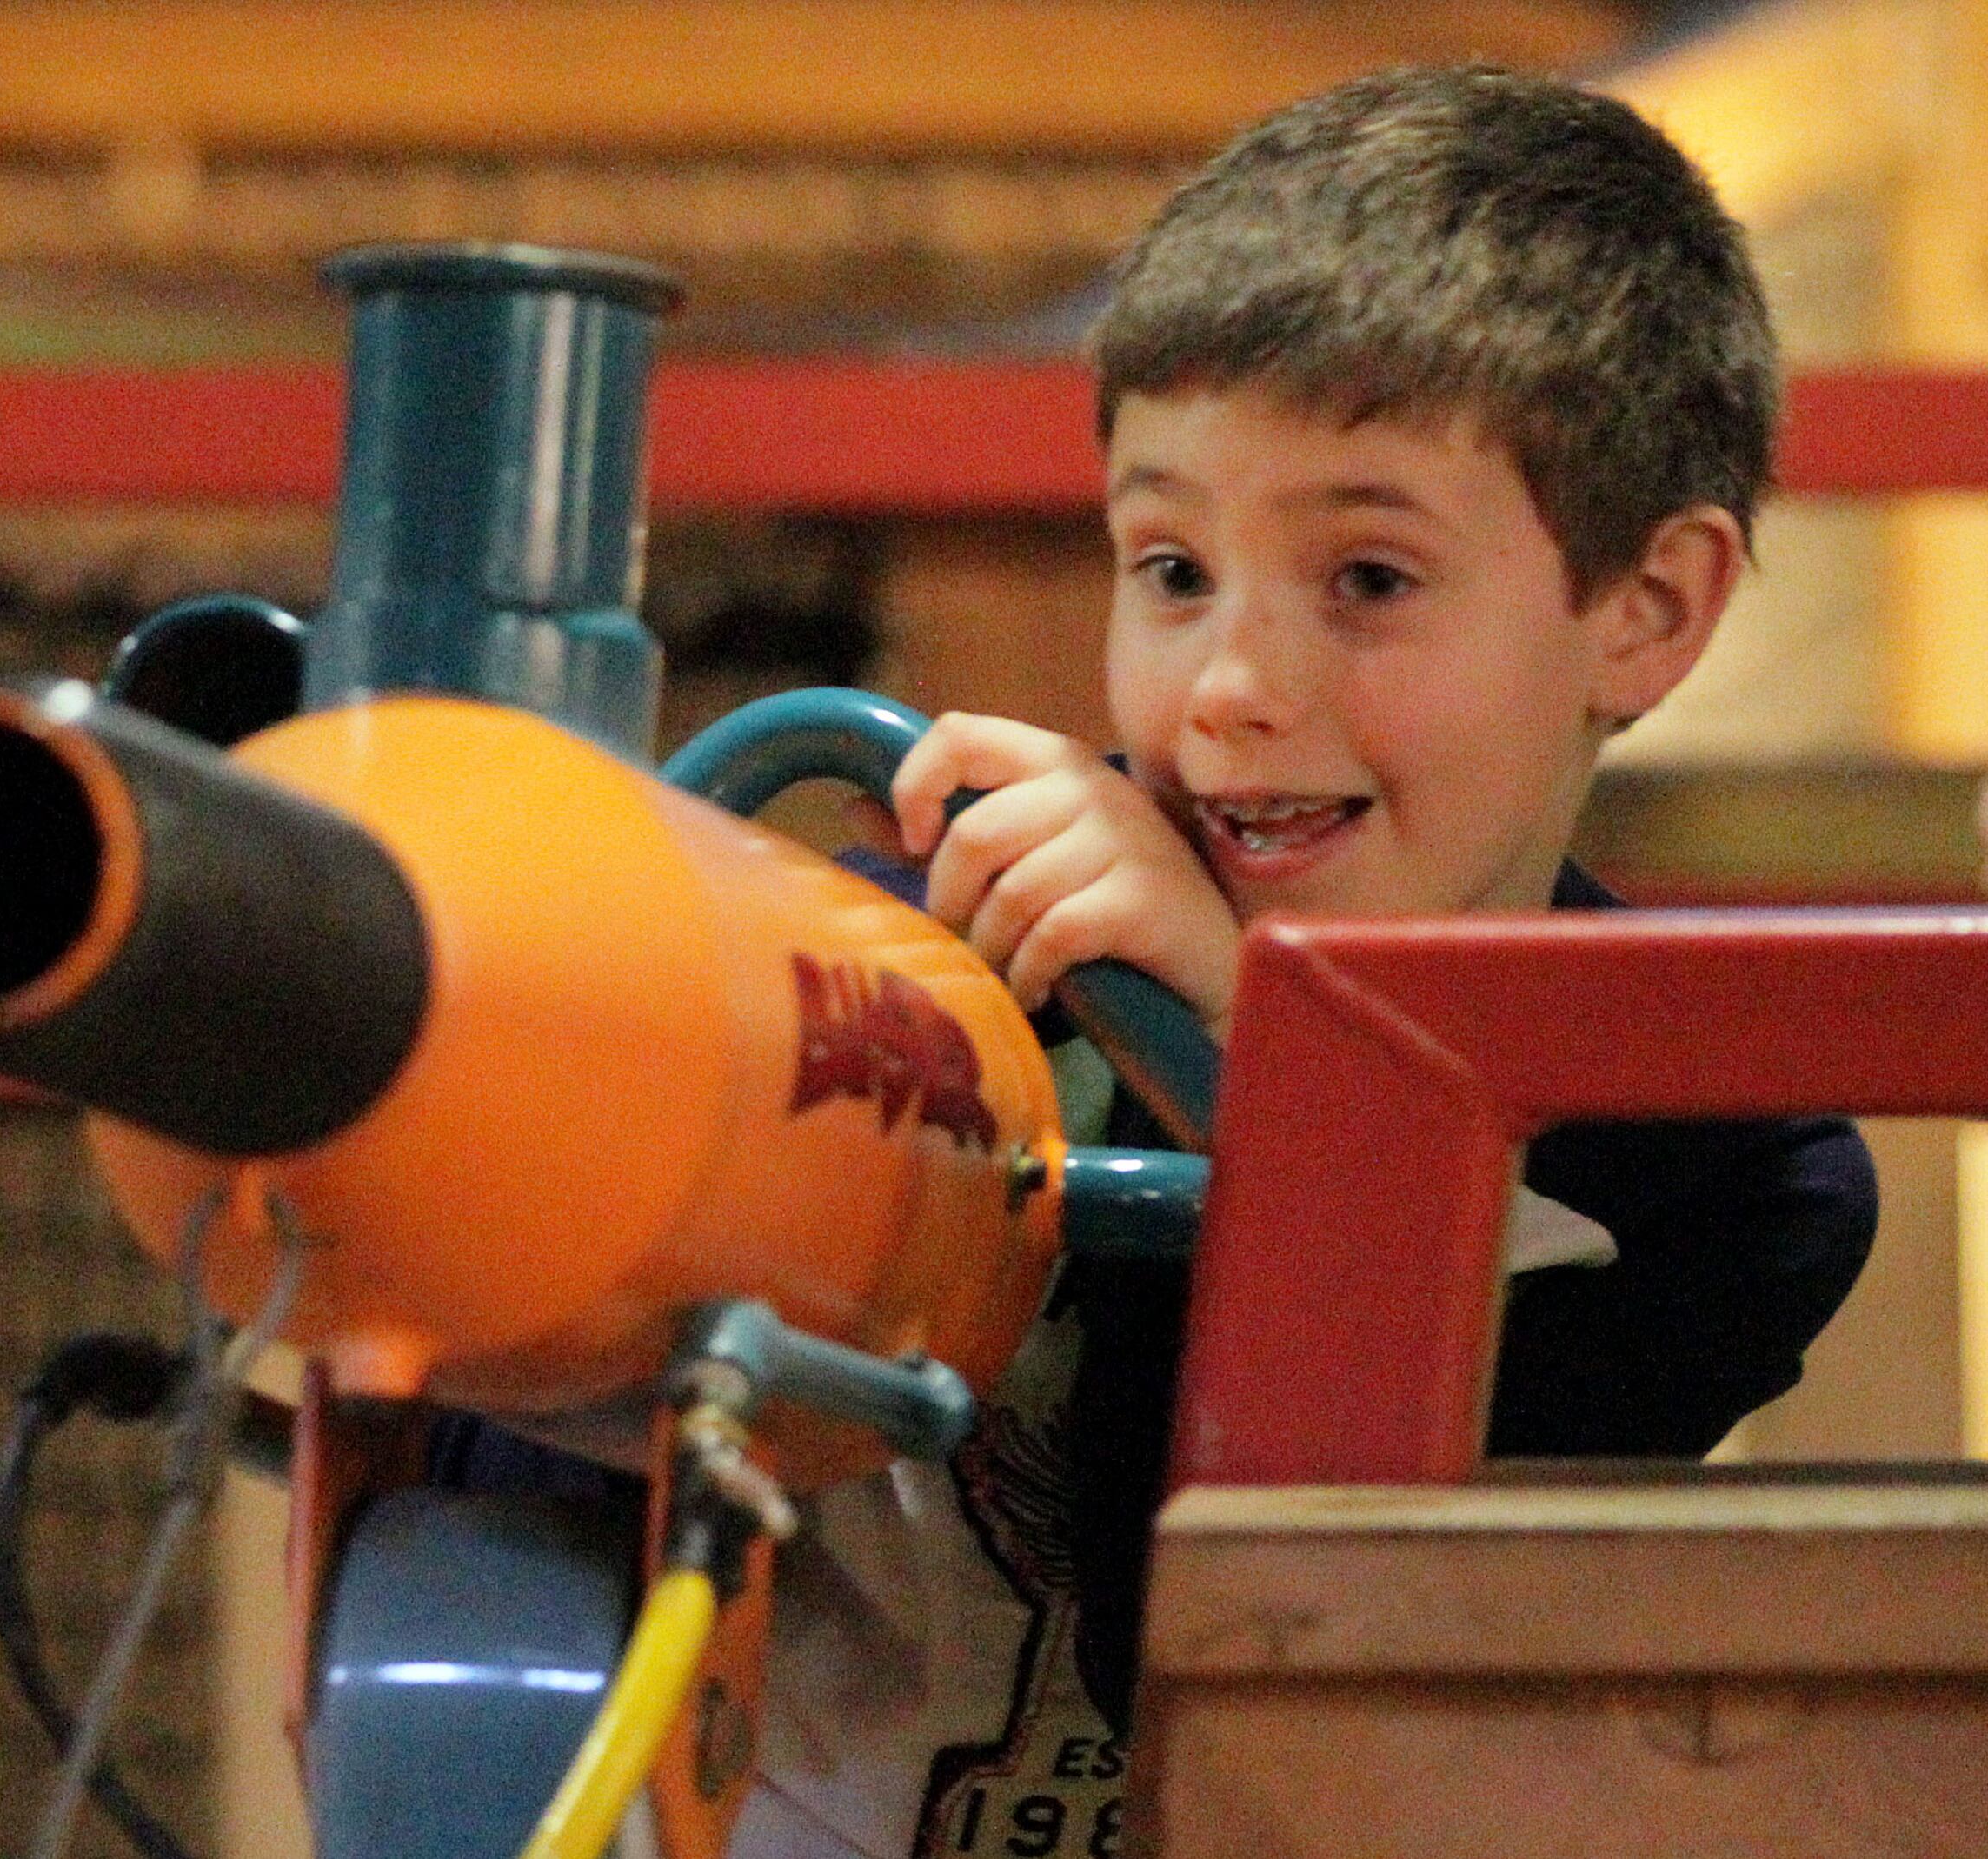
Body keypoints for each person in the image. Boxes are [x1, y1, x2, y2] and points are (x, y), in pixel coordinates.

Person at [735, 64, 1880, 1859]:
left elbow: (1229, 1663)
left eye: (1366, 576)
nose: (1227, 689)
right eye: (1172, 564)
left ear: (1645, 612)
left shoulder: (1732, 1163)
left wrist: (1234, 1041)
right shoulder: (908, 958)